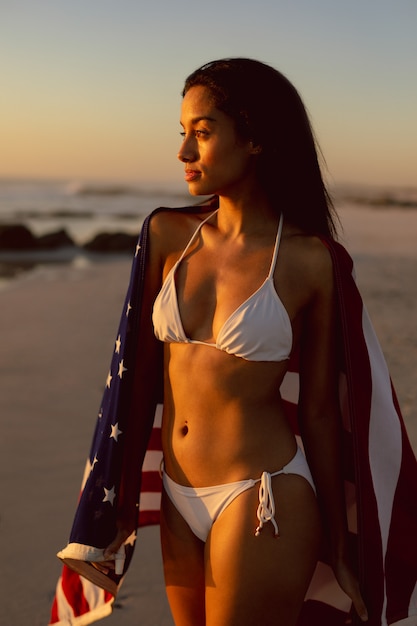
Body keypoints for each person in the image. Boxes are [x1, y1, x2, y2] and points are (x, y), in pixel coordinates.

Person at [55, 58, 417, 626]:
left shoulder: (309, 261)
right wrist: (117, 496)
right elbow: (137, 376)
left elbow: (322, 410)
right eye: (183, 133)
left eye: (203, 132)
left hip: (263, 495)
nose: (184, 153)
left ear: (255, 139)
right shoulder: (167, 235)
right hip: (178, 496)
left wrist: (342, 550)